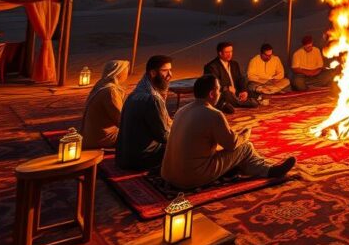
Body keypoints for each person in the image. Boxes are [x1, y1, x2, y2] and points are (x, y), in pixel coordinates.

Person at [161, 74, 295, 189]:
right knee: (245, 147)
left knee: (234, 152)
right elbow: (232, 144)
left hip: (168, 173)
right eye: (219, 90)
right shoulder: (213, 114)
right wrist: (244, 135)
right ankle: (269, 171)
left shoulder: (181, 110)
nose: (220, 93)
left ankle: (245, 168)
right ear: (212, 94)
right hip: (191, 177)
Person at [117, 55, 172, 171]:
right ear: (153, 73)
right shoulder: (152, 99)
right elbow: (163, 137)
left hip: (124, 157)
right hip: (143, 158)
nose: (170, 75)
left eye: (170, 70)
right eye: (165, 71)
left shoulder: (134, 94)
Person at [80, 60, 130, 149]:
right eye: (126, 71)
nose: (127, 74)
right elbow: (121, 120)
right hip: (102, 138)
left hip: (90, 135)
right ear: (118, 73)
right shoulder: (110, 91)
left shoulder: (101, 83)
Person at [204, 41, 259, 113]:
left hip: (235, 92)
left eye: (231, 51)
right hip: (223, 93)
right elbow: (213, 85)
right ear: (220, 53)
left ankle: (238, 101)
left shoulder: (234, 64)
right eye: (227, 52)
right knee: (227, 94)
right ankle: (243, 103)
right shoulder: (212, 66)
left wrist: (243, 91)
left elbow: (240, 79)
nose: (230, 54)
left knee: (250, 88)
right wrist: (227, 87)